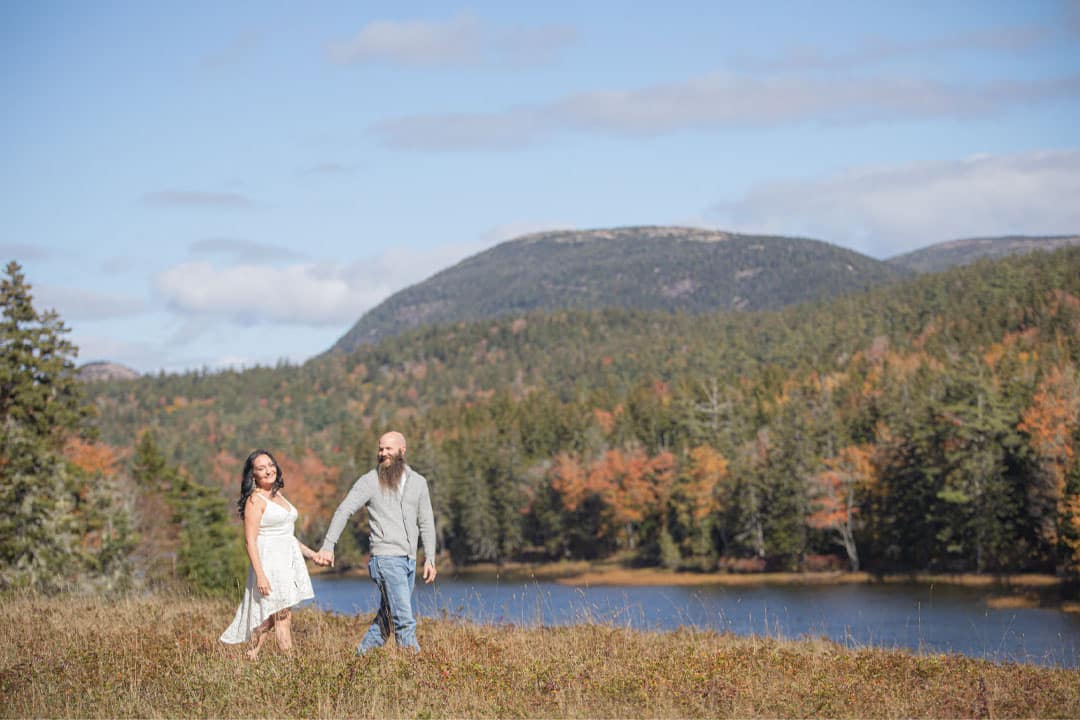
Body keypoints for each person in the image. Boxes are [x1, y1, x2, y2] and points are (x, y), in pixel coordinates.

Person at [312, 431, 437, 654]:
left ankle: (358, 664)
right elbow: (344, 510)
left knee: (387, 619)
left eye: (388, 449)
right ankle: (419, 672)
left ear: (402, 451)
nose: (383, 453)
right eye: (380, 449)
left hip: (409, 560)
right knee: (404, 621)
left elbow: (426, 521)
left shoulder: (418, 482)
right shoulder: (369, 481)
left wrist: (430, 558)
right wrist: (328, 545)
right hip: (386, 560)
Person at [221, 449, 316, 659]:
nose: (268, 470)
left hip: (286, 563)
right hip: (269, 564)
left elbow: (287, 536)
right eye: (261, 468)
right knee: (283, 616)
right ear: (252, 475)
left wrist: (312, 554)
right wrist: (261, 575)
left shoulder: (277, 495)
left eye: (270, 465)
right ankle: (294, 669)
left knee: (273, 617)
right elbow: (250, 541)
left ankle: (252, 653)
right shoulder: (255, 501)